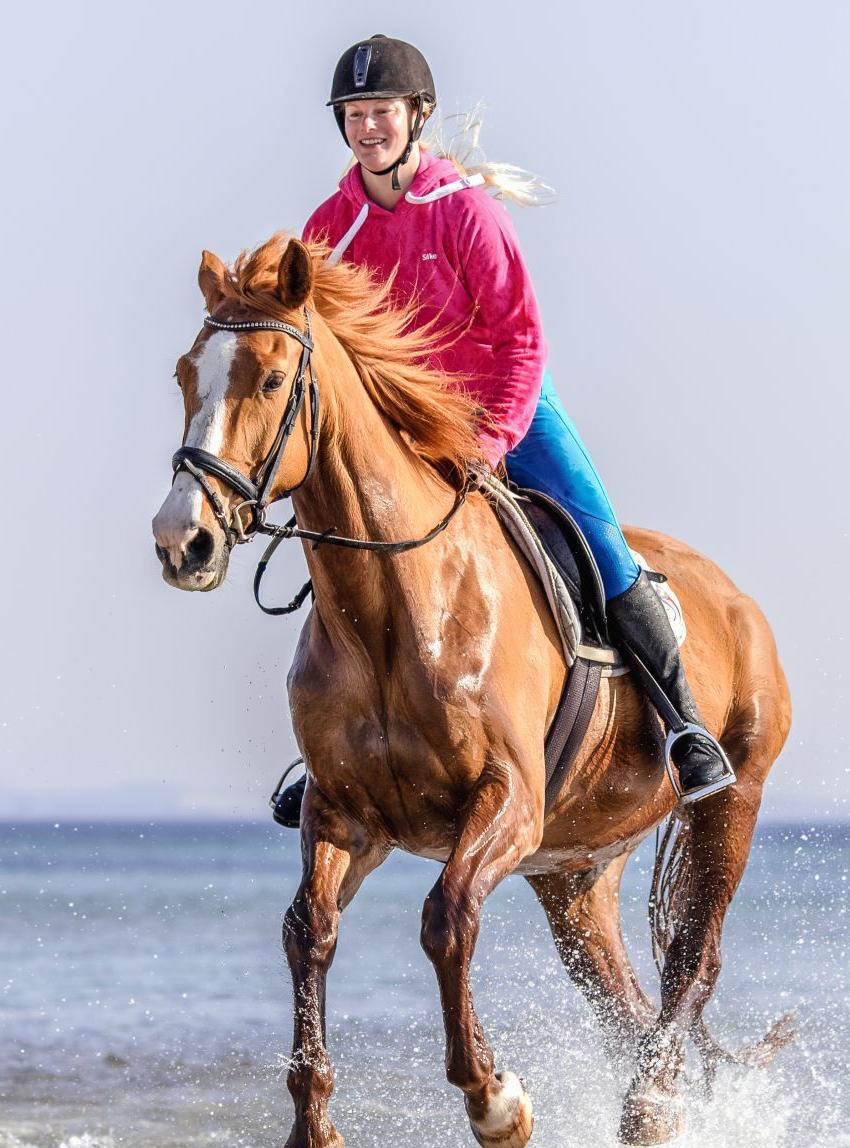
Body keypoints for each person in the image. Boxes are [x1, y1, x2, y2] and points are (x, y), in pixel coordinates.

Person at [271, 34, 734, 827]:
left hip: (504, 411)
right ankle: (334, 744)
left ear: (416, 117)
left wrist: (487, 445)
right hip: (404, 431)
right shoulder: (326, 230)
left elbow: (520, 341)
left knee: (607, 552)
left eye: (380, 111)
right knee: (347, 558)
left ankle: (687, 726)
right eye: (353, 114)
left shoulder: (464, 213)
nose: (367, 127)